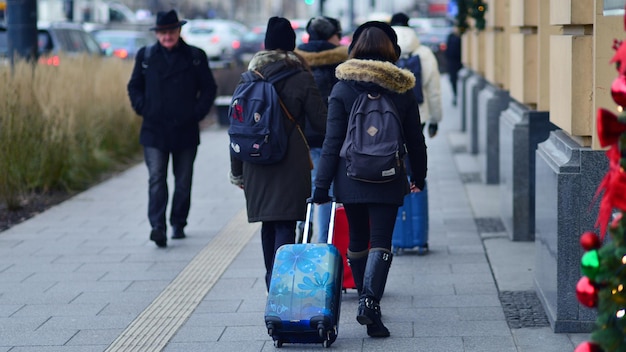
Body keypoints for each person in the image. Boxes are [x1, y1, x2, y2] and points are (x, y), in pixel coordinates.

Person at [311, 21, 427, 338]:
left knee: (358, 239)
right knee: (381, 241)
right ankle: (369, 302)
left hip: (350, 175)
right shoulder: (401, 87)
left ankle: (365, 296)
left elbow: (331, 143)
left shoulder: (343, 88)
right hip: (389, 175)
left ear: (356, 49)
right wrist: (420, 175)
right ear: (392, 50)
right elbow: (415, 140)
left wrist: (321, 187)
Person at [229, 16, 327, 291]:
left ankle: (271, 278)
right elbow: (321, 122)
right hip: (290, 160)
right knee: (285, 222)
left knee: (269, 223)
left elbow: (237, 130)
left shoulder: (247, 79)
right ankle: (281, 284)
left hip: (255, 162)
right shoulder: (301, 76)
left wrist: (237, 172)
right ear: (292, 45)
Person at [127, 10, 217, 248]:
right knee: (156, 178)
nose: (167, 36)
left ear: (179, 31)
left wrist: (196, 114)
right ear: (157, 34)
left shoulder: (195, 56)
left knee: (183, 180)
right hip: (154, 130)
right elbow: (134, 86)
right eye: (163, 32)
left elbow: (209, 88)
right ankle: (158, 226)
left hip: (185, 130)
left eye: (171, 31)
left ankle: (178, 221)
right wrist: (143, 107)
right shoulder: (145, 56)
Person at [294, 16, 348, 243]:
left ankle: (301, 228)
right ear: (332, 36)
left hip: (301, 139)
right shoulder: (342, 63)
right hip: (332, 138)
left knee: (305, 188)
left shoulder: (296, 62)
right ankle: (325, 241)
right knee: (325, 190)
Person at [390, 12, 442, 138]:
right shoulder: (425, 53)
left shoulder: (383, 50)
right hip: (418, 113)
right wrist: (435, 120)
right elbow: (434, 90)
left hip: (389, 112)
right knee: (414, 151)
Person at [445, 26, 463, 106]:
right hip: (452, 62)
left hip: (460, 62)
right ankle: (455, 95)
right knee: (453, 80)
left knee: (457, 80)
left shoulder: (461, 37)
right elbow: (447, 50)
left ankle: (458, 96)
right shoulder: (451, 37)